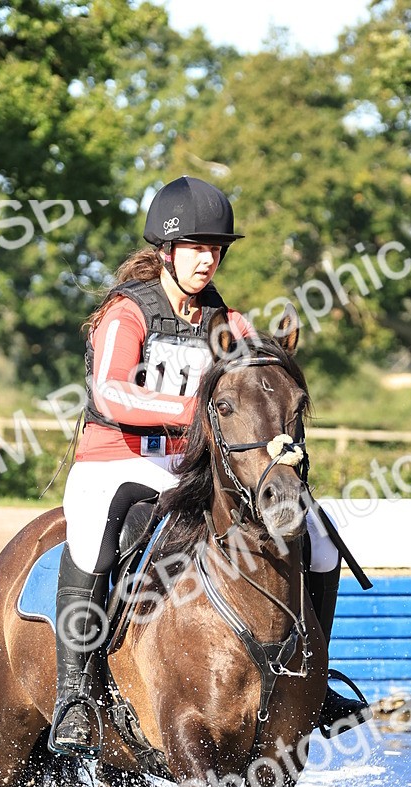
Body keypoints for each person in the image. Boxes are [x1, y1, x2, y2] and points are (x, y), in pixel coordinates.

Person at [50, 175, 365, 756]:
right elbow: (112, 393)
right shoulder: (126, 313)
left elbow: (255, 379)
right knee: (98, 532)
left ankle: (314, 681)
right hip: (117, 462)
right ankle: (74, 692)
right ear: (166, 252)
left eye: (215, 249)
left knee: (318, 538)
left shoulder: (228, 322)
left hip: (191, 469)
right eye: (195, 248)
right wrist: (194, 408)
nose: (207, 260)